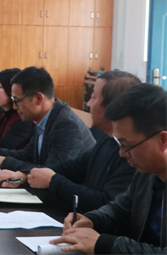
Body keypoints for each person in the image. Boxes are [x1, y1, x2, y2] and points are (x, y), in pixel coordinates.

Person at [52, 83, 167, 254]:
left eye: (127, 145)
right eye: (118, 143)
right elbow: (120, 210)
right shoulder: (147, 173)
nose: (121, 153)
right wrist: (92, 220)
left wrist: (103, 244)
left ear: (163, 140)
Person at [0, 67, 95, 183]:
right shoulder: (46, 118)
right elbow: (26, 155)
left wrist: (5, 162)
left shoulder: (66, 125)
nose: (15, 107)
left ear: (38, 99)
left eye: (17, 100)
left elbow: (50, 172)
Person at [25, 71, 138, 213]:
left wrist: (53, 181)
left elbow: (105, 202)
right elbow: (72, 168)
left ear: (112, 106)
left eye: (93, 97)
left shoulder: (132, 154)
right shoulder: (106, 139)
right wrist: (27, 174)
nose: (89, 103)